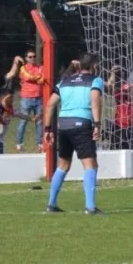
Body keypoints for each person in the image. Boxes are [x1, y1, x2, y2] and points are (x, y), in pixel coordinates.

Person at [44, 53, 105, 215]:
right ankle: (90, 207)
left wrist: (48, 129)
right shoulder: (95, 80)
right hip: (82, 124)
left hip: (63, 125)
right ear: (94, 66)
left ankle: (51, 204)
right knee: (90, 164)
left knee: (63, 164)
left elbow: (50, 105)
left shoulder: (64, 81)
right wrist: (97, 124)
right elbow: (95, 100)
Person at [16, 48, 46, 152]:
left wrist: (37, 77)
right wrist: (38, 77)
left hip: (38, 98)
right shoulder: (23, 68)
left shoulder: (41, 67)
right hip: (26, 98)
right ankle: (19, 143)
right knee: (23, 121)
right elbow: (28, 77)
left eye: (34, 56)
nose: (32, 58)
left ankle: (40, 144)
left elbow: (42, 79)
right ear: (26, 58)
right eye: (30, 57)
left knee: (39, 122)